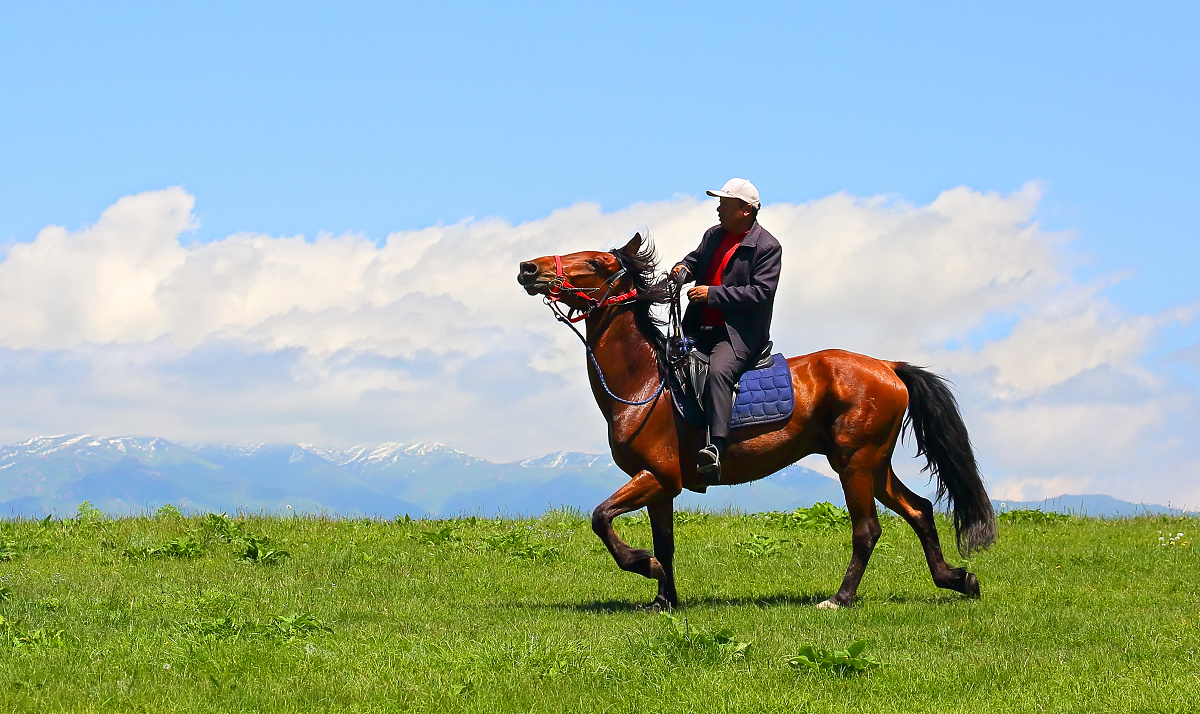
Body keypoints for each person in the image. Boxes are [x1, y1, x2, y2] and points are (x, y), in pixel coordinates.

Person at [670, 178, 782, 484]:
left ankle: (715, 448)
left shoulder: (768, 247)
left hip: (737, 336)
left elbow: (761, 293)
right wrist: (683, 268)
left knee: (718, 373)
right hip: (699, 328)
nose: (718, 208)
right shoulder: (714, 235)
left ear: (745, 211)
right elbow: (695, 260)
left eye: (725, 203)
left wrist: (713, 295)